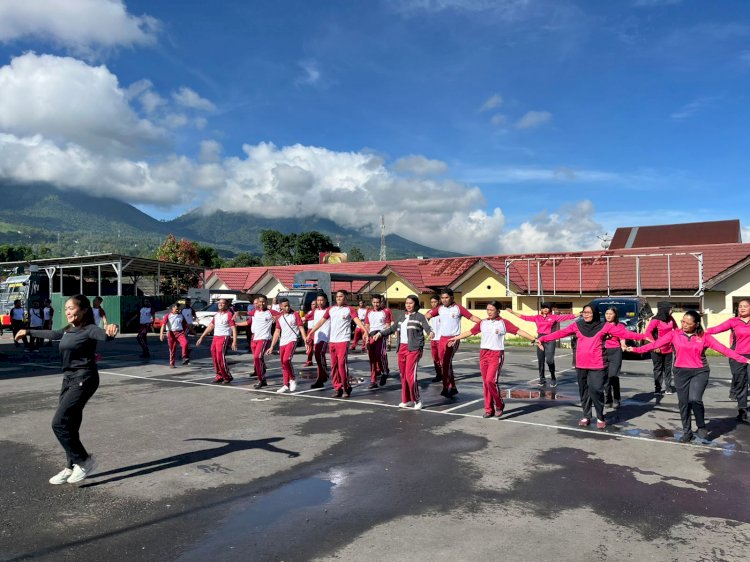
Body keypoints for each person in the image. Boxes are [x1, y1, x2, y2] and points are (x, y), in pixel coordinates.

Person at [15, 294, 119, 484]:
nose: (68, 312)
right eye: (66, 309)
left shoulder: (90, 329)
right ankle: (70, 466)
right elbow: (54, 334)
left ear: (83, 310)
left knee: (59, 423)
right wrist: (27, 331)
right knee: (70, 424)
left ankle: (84, 461)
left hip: (84, 378)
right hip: (69, 379)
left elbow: (105, 335)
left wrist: (112, 330)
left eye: (71, 308)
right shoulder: (69, 329)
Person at [628, 310, 750, 442]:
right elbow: (655, 344)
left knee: (695, 399)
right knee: (683, 403)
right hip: (681, 372)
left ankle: (701, 425)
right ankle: (687, 432)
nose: (683, 324)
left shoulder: (704, 336)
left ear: (696, 324)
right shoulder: (674, 334)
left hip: (700, 371)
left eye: (687, 322)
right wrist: (635, 350)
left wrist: (745, 360)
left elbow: (724, 349)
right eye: (682, 321)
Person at [539, 304, 649, 429]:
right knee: (584, 391)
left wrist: (644, 336)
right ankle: (586, 415)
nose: (586, 314)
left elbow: (625, 333)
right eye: (584, 312)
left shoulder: (604, 326)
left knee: (596, 390)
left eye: (589, 312)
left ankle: (600, 416)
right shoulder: (577, 325)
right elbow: (561, 333)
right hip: (581, 364)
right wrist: (543, 339)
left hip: (597, 364)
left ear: (595, 314)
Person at [449, 301, 536, 418]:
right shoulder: (483, 323)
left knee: (491, 380)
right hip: (483, 353)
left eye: (492, 310)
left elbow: (518, 331)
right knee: (485, 383)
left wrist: (534, 339)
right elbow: (470, 332)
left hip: (496, 354)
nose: (489, 312)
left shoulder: (503, 323)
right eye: (487, 309)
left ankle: (499, 404)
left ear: (498, 311)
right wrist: (456, 337)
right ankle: (489, 409)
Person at [370, 294, 433, 409]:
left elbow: (427, 327)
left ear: (416, 304)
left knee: (410, 375)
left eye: (411, 303)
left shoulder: (420, 317)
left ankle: (417, 400)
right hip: (401, 348)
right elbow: (391, 329)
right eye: (407, 303)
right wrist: (380, 334)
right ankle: (406, 399)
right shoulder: (401, 317)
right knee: (403, 375)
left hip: (414, 348)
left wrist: (430, 333)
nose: (408, 305)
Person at [307, 290, 369, 398]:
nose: (338, 298)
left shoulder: (349, 309)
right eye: (337, 297)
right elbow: (321, 321)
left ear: (345, 298)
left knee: (341, 365)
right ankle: (337, 388)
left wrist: (365, 331)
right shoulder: (331, 309)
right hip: (333, 341)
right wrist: (311, 332)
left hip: (343, 340)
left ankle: (346, 387)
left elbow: (356, 320)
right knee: (334, 366)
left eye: (341, 296)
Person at [425, 288, 481, 398]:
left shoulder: (458, 308)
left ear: (452, 297)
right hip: (441, 339)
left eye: (446, 297)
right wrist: (427, 328)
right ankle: (452, 387)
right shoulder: (440, 308)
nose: (444, 300)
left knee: (446, 362)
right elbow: (426, 317)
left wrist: (484, 322)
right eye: (442, 298)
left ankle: (447, 387)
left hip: (453, 339)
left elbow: (472, 317)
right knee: (443, 364)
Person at [506, 303, 576, 387]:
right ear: (541, 309)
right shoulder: (537, 317)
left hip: (550, 338)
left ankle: (553, 377)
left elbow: (569, 317)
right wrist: (512, 312)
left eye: (547, 308)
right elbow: (524, 317)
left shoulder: (554, 317)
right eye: (544, 308)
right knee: (541, 360)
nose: (545, 309)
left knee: (549, 360)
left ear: (550, 309)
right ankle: (542, 379)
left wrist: (581, 313)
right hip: (540, 339)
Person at [706, 299, 750, 421]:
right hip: (737, 357)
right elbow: (716, 329)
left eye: (745, 306)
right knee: (741, 384)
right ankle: (742, 410)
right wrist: (702, 331)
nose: (742, 308)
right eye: (740, 306)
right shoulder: (733, 321)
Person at [237, 295, 280, 389]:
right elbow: (247, 314)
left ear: (266, 303)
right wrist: (239, 312)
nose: (261, 303)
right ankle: (262, 372)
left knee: (257, 357)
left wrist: (276, 317)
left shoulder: (270, 312)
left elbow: (281, 313)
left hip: (264, 338)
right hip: (255, 337)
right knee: (257, 358)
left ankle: (262, 380)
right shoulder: (255, 312)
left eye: (263, 302)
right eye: (260, 302)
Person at [266, 297, 307, 393]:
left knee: (286, 360)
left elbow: (301, 328)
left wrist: (305, 341)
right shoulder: (279, 317)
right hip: (283, 342)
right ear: (280, 306)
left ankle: (292, 379)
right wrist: (272, 346)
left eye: (288, 305)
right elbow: (277, 332)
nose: (287, 307)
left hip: (292, 340)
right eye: (285, 306)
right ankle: (285, 384)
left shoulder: (295, 314)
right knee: (283, 363)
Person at [196, 298, 238, 384]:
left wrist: (234, 341)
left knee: (220, 357)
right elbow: (210, 326)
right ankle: (219, 375)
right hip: (216, 337)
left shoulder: (229, 314)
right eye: (219, 303)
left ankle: (227, 376)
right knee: (214, 356)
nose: (220, 304)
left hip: (224, 337)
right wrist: (202, 337)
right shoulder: (216, 315)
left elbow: (234, 329)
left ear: (226, 305)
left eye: (223, 303)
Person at [645, 301, 678, 395]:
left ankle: (668, 387)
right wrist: (655, 345)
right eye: (670, 309)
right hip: (656, 348)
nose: (672, 310)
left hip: (668, 348)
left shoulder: (671, 318)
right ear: (665, 310)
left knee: (668, 369)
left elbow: (676, 329)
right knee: (658, 369)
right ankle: (658, 389)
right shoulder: (655, 320)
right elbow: (647, 333)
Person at [364, 294, 393, 389]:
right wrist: (366, 335)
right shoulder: (369, 312)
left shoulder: (386, 311)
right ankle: (373, 380)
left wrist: (382, 334)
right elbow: (367, 325)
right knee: (372, 359)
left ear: (381, 302)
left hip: (381, 335)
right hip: (371, 335)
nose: (376, 304)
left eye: (377, 302)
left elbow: (388, 325)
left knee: (380, 355)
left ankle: (385, 371)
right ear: (371, 302)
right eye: (374, 302)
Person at [603, 307, 628, 410]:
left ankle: (616, 399)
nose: (608, 315)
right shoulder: (602, 326)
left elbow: (622, 337)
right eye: (606, 313)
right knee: (605, 377)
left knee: (613, 376)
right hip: (603, 352)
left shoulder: (620, 326)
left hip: (615, 352)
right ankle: (608, 399)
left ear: (615, 315)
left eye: (610, 313)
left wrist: (623, 345)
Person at [305, 293, 331, 389]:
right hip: (317, 337)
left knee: (319, 355)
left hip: (325, 337)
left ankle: (323, 375)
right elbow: (304, 318)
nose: (320, 302)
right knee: (318, 356)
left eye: (322, 300)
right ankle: (322, 376)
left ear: (325, 301)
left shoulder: (329, 310)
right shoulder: (314, 311)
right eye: (318, 300)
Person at [160, 303, 190, 368]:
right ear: (172, 309)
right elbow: (163, 325)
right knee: (172, 349)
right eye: (176, 309)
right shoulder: (168, 315)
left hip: (180, 333)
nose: (178, 310)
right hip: (171, 333)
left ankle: (184, 357)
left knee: (185, 343)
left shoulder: (181, 316)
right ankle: (172, 363)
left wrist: (194, 331)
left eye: (179, 309)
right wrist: (161, 334)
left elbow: (186, 325)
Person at [428, 294, 442, 382]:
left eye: (435, 302)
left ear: (439, 302)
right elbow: (425, 323)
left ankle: (446, 375)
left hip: (441, 339)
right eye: (432, 302)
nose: (433, 304)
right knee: (435, 358)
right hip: (433, 339)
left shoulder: (442, 311)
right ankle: (438, 375)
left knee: (442, 359)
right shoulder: (429, 312)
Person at [303, 301, 317, 367]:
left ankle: (321, 361)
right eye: (312, 304)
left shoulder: (316, 311)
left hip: (315, 330)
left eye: (314, 304)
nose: (312, 305)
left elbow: (305, 317)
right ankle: (309, 361)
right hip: (309, 330)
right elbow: (305, 319)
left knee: (316, 347)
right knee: (309, 346)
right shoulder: (310, 311)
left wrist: (301, 319)